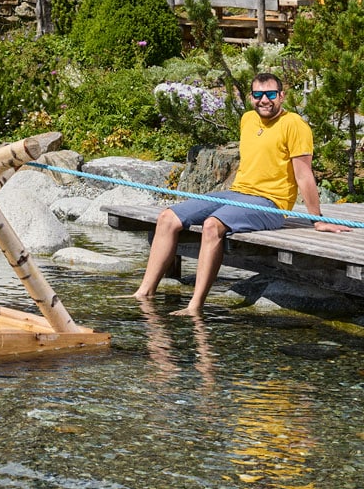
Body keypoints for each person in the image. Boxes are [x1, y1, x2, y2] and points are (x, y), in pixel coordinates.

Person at [134, 72, 351, 316]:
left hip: (269, 203)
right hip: (236, 193)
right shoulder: (247, 119)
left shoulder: (295, 125)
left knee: (211, 226)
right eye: (258, 95)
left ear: (282, 96)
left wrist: (317, 219)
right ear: (250, 97)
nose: (264, 100)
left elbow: (303, 175)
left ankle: (194, 306)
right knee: (167, 218)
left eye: (270, 94)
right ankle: (144, 293)